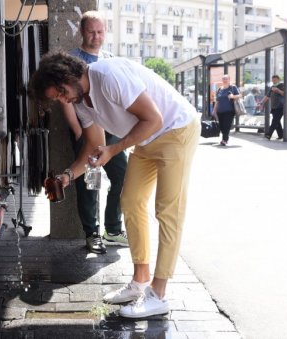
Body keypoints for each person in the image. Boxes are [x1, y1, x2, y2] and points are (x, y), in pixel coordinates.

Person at [29, 52, 200, 318]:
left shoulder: (108, 77)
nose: (63, 100)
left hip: (175, 129)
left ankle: (159, 294)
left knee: (167, 211)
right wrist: (66, 176)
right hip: (146, 139)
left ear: (69, 75)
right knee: (130, 202)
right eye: (57, 98)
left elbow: (153, 118)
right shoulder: (81, 102)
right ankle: (140, 281)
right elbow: (91, 146)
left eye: (61, 92)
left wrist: (115, 148)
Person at [62, 11, 128, 254]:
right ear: (82, 31)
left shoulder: (110, 58)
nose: (96, 36)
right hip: (86, 130)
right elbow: (65, 101)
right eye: (91, 31)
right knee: (91, 182)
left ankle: (112, 228)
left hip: (111, 132)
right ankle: (92, 233)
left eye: (100, 32)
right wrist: (78, 131)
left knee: (123, 175)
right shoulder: (72, 60)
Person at [212, 75, 240, 146]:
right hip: (220, 111)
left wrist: (233, 96)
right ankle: (224, 138)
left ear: (229, 80)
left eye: (226, 79)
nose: (225, 80)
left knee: (226, 126)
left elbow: (240, 95)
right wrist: (214, 110)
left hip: (229, 111)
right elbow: (217, 101)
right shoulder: (220, 89)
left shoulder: (233, 87)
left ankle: (224, 140)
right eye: (223, 79)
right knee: (221, 126)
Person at [260, 75, 285, 140]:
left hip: (280, 107)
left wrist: (278, 90)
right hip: (274, 107)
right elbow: (267, 96)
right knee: (277, 121)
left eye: (275, 80)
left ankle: (269, 134)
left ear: (278, 79)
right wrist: (262, 103)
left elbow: (285, 94)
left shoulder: (282, 85)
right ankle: (281, 135)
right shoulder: (272, 87)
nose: (274, 81)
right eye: (273, 80)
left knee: (274, 121)